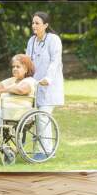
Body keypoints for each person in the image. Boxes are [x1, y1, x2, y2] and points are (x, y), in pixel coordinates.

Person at [26, 11, 64, 160]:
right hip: (34, 86)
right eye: (33, 23)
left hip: (49, 86)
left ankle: (47, 152)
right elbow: (28, 62)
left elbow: (55, 62)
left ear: (46, 25)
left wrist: (48, 78)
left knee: (43, 117)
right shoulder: (31, 41)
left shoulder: (53, 40)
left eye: (37, 23)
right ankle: (38, 150)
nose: (34, 25)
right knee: (34, 118)